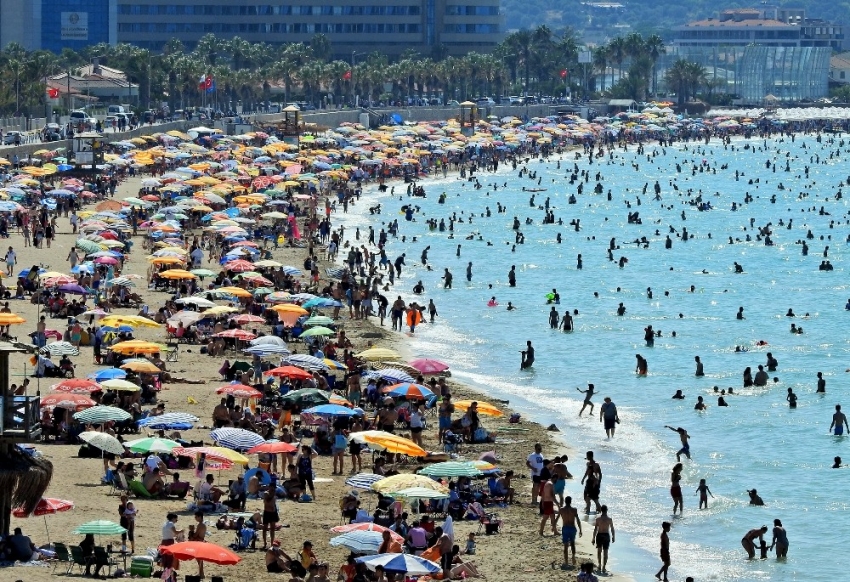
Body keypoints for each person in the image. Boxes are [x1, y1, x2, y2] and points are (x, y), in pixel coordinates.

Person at [556, 496, 582, 566]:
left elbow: (557, 518)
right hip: (572, 528)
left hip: (565, 528)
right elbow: (578, 520)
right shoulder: (574, 510)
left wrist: (554, 526)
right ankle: (573, 556)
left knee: (565, 545)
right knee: (573, 543)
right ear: (571, 501)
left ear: (565, 501)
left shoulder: (561, 509)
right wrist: (580, 529)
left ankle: (566, 562)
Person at [591, 505, 615, 574]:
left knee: (599, 551)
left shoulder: (598, 519)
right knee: (605, 552)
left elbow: (595, 529)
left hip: (600, 535)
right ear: (607, 510)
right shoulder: (609, 519)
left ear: (601, 510)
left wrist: (593, 538)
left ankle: (599, 565)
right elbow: (612, 528)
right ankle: (604, 567)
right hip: (606, 535)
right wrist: (613, 536)